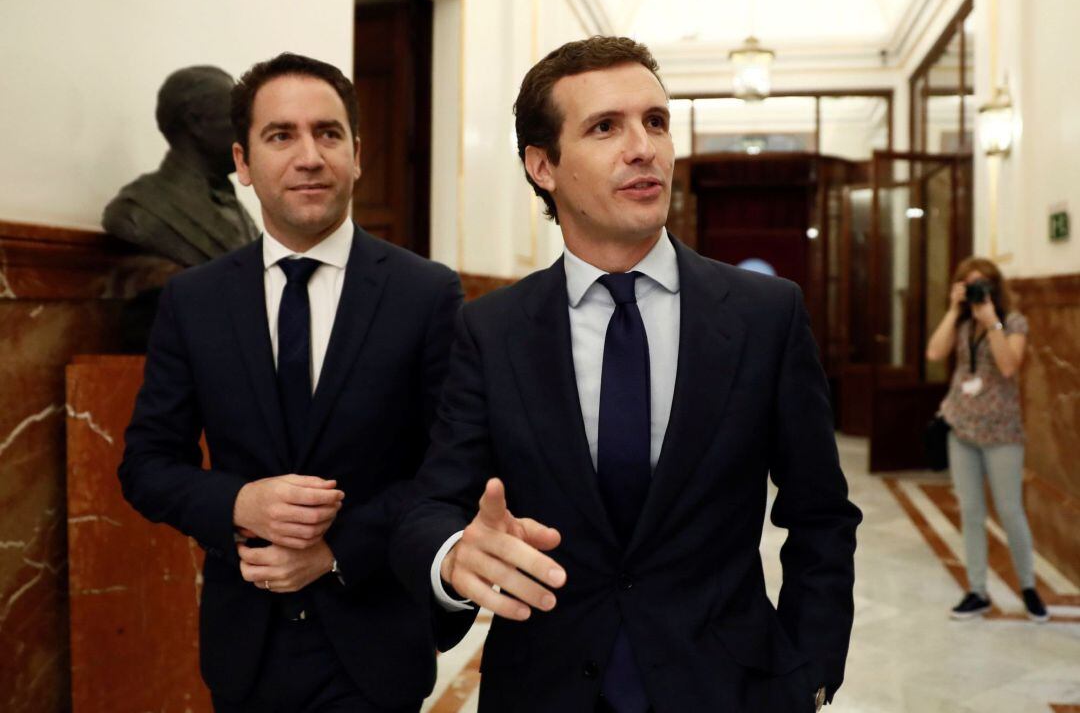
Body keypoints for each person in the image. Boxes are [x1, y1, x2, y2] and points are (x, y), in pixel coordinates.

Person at [391, 36, 862, 713]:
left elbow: (821, 514)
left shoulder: (765, 314)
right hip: (545, 690)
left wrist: (809, 673)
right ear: (542, 164)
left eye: (657, 121)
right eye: (606, 126)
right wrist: (453, 556)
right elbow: (432, 503)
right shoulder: (492, 330)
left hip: (726, 688)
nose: (643, 147)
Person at [119, 53, 470, 712]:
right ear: (243, 163)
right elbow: (145, 464)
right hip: (246, 645)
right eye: (281, 135)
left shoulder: (425, 293)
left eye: (328, 133)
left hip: (375, 640)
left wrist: (336, 549)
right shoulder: (193, 301)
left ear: (357, 154)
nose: (309, 155)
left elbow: (452, 469)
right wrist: (238, 505)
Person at [926, 257, 1048, 623]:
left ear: (996, 287)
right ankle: (977, 590)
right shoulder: (962, 322)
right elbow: (934, 352)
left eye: (982, 284)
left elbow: (1009, 365)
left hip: (1001, 431)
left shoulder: (1013, 322)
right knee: (971, 512)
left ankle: (1028, 586)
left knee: (1010, 511)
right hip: (962, 427)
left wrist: (990, 320)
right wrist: (953, 309)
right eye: (968, 284)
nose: (976, 290)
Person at [103, 65, 260, 266]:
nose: (248, 136)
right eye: (236, 122)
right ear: (196, 123)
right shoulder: (137, 212)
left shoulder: (231, 204)